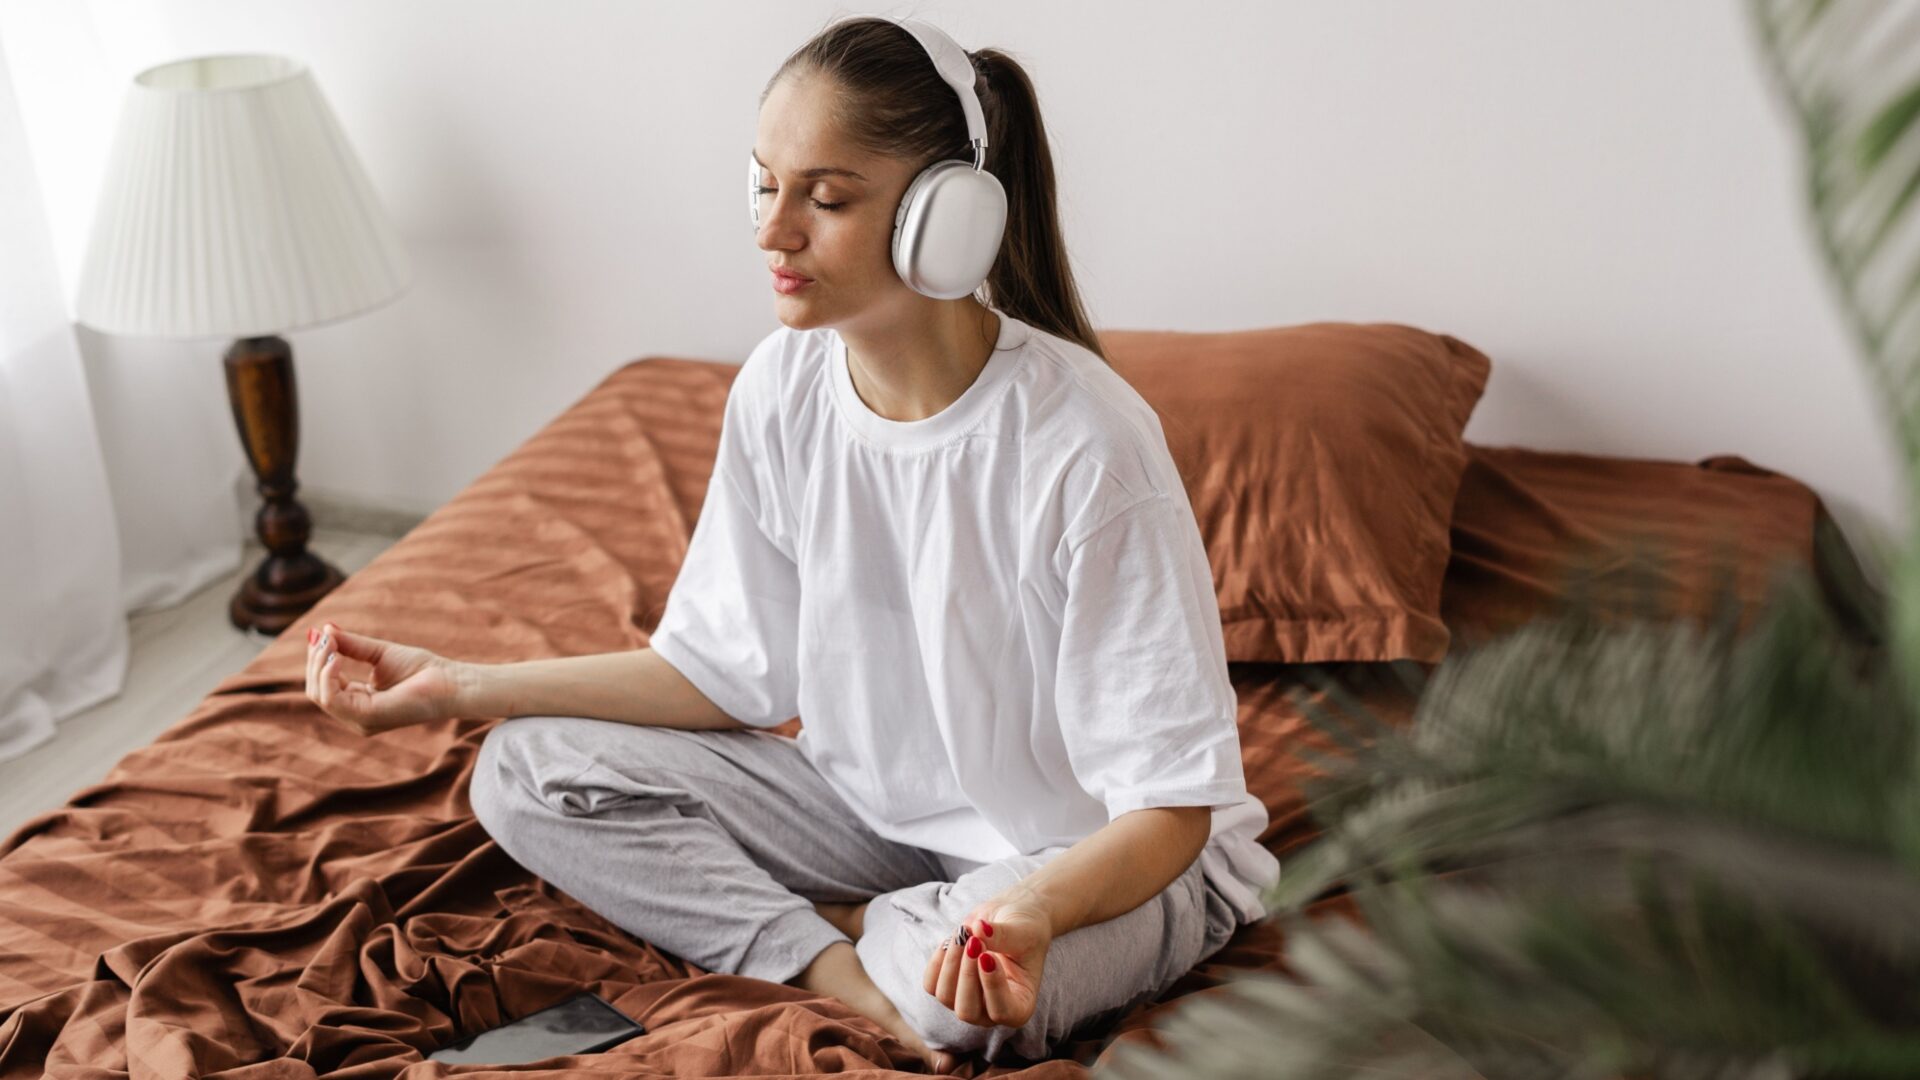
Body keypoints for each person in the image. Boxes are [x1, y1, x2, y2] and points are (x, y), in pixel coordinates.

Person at [302, 15, 1278, 1074]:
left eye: (826, 197)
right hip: (869, 812)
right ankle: (837, 956)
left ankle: (867, 935)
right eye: (764, 184)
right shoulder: (781, 385)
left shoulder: (1088, 448)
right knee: (525, 769)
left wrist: (1034, 912)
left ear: (945, 218)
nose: (774, 231)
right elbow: (720, 673)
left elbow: (1170, 811)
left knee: (969, 1008)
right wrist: (458, 685)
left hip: (1100, 863)